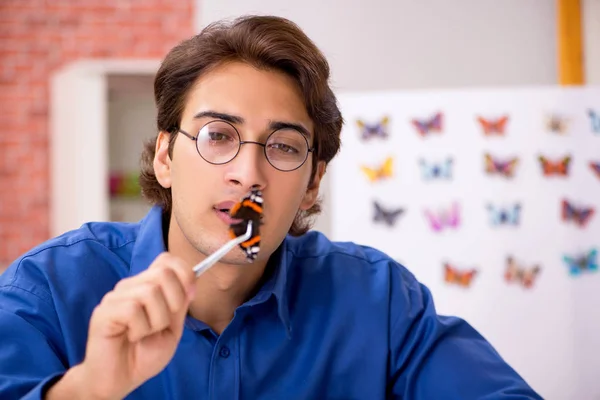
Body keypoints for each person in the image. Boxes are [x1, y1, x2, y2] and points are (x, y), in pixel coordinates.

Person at [0, 15, 542, 400]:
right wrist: (89, 390)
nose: (248, 173)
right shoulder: (45, 290)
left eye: (283, 146)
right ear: (166, 156)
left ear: (311, 183)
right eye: (218, 135)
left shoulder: (378, 300)